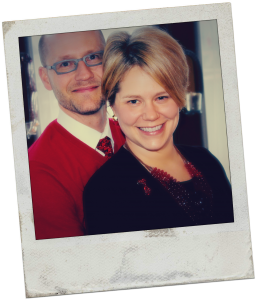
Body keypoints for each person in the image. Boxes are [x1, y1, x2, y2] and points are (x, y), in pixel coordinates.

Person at [83, 27, 234, 236]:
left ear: (180, 96)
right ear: (113, 106)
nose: (151, 115)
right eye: (134, 101)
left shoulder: (207, 162)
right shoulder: (105, 190)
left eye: (161, 97)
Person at [28, 30, 125, 240]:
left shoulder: (134, 131)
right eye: (65, 64)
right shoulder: (37, 171)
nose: (85, 74)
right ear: (45, 78)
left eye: (93, 57)